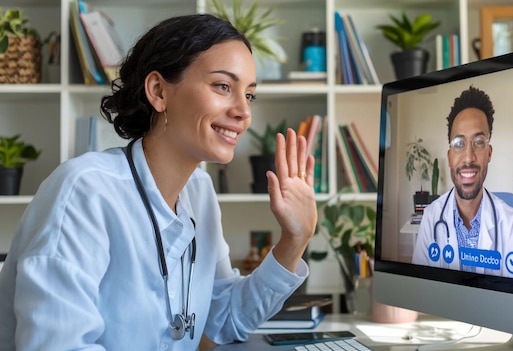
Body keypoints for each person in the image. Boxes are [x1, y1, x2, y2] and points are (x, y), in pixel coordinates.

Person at [0, 14, 317, 350]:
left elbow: (220, 319)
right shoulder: (84, 190)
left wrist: (294, 240)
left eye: (249, 95)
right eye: (223, 86)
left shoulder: (200, 192)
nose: (243, 111)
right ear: (158, 91)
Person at [412, 86, 513, 281]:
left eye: (479, 142)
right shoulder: (431, 218)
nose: (468, 157)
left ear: (489, 153)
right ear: (449, 157)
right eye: (458, 144)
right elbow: (418, 292)